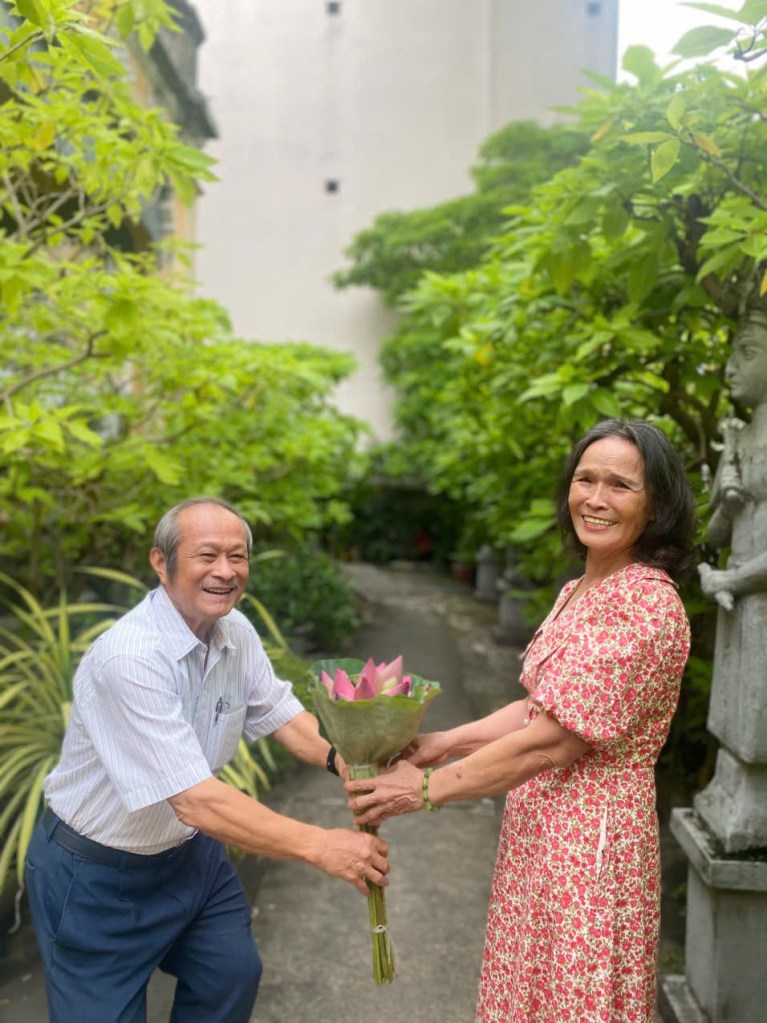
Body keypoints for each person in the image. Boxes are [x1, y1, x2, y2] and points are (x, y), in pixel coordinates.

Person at [347, 419, 695, 1023]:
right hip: (542, 832)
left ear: (657, 505)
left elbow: (552, 743)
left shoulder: (644, 602)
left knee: (571, 999)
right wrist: (443, 743)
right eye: (585, 479)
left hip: (590, 845)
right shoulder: (581, 588)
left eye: (620, 485)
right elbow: (540, 707)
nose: (596, 498)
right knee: (529, 991)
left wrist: (424, 789)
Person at [26, 497, 389, 1023]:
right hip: (97, 877)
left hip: (190, 857)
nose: (226, 571)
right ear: (161, 562)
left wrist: (347, 762)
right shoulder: (129, 659)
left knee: (230, 975)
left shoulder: (234, 631)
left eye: (237, 556)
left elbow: (282, 715)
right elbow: (195, 800)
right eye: (207, 555)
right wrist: (322, 845)